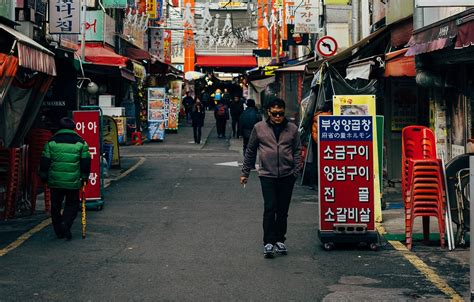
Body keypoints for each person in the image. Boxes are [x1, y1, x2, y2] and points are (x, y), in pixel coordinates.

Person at [240, 98, 302, 258]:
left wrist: (296, 170)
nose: (278, 117)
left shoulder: (292, 129)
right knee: (270, 208)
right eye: (274, 114)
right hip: (267, 175)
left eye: (281, 114)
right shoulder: (259, 128)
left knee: (283, 210)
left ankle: (280, 240)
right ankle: (268, 241)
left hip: (287, 175)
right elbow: (251, 150)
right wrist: (245, 172)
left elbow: (297, 150)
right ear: (268, 112)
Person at [39, 117, 91, 241]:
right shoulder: (81, 143)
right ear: (74, 128)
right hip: (72, 181)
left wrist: (44, 176)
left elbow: (45, 161)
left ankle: (59, 231)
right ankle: (66, 223)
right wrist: (84, 177)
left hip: (55, 180)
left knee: (56, 205)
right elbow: (86, 162)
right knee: (72, 204)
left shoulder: (51, 142)